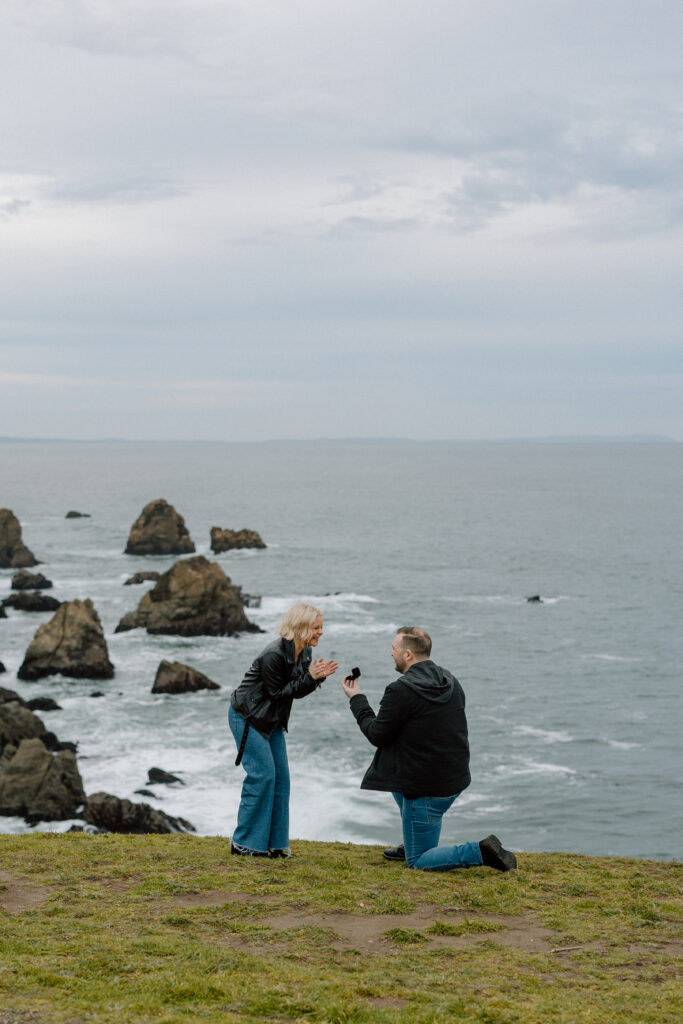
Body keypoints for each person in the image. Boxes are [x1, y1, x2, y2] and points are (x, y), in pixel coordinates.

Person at [342, 626, 516, 872]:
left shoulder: (400, 690)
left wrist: (356, 698)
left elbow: (376, 735)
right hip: (453, 778)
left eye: (394, 649)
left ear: (409, 655)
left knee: (419, 860)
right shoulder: (449, 680)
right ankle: (412, 840)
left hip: (426, 789)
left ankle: (480, 851)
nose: (391, 654)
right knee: (398, 777)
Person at [229, 603, 338, 857]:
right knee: (262, 776)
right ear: (300, 628)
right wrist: (310, 677)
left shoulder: (305, 652)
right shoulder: (274, 654)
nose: (320, 632)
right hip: (247, 717)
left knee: (281, 779)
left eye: (321, 627)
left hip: (271, 719)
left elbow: (296, 690)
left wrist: (315, 678)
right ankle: (243, 843)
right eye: (316, 627)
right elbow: (277, 693)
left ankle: (276, 844)